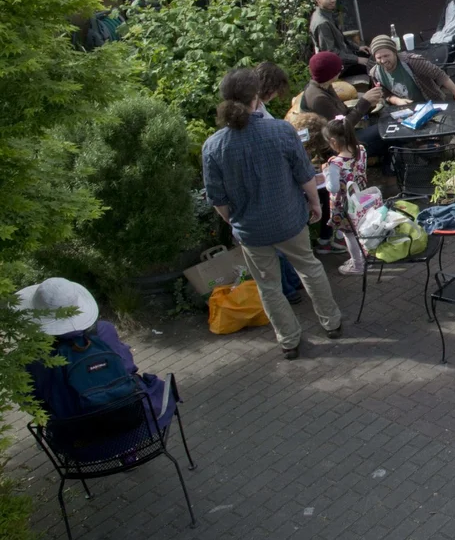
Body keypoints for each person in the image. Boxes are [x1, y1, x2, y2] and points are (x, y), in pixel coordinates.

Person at [200, 67, 343, 360]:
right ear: (256, 98)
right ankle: (332, 323)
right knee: (310, 268)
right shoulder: (280, 130)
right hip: (290, 220)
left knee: (268, 286)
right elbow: (304, 173)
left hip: (251, 230)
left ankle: (289, 341)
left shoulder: (213, 146)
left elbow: (217, 198)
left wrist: (235, 222)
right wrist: (315, 204)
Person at [20, 277, 178, 457]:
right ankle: (128, 453)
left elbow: (33, 404)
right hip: (138, 426)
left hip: (80, 446)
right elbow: (129, 368)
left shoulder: (34, 357)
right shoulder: (104, 330)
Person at [256, 62, 317, 290]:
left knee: (276, 251)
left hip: (263, 198)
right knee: (290, 251)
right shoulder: (260, 114)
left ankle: (292, 285)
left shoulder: (255, 108)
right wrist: (313, 201)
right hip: (276, 192)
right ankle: (293, 286)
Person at [302, 50, 387, 168]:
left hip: (344, 134)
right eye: (339, 68)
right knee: (385, 131)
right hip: (337, 145)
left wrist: (370, 103)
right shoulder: (318, 98)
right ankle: (388, 170)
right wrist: (364, 102)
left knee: (384, 120)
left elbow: (344, 112)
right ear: (330, 73)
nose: (341, 70)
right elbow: (341, 127)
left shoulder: (324, 86)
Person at [321, 117, 370, 277]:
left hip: (345, 205)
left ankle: (357, 264)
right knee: (359, 229)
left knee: (349, 234)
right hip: (360, 197)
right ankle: (363, 255)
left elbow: (333, 187)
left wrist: (326, 173)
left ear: (334, 141)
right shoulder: (361, 150)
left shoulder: (335, 163)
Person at [367, 35, 455, 105]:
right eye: (379, 58)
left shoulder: (412, 61)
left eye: (386, 55)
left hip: (430, 103)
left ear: (394, 52)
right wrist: (396, 100)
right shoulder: (375, 73)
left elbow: (440, 75)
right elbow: (385, 94)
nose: (383, 60)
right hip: (406, 110)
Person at [309, 0, 370, 75]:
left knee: (375, 54)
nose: (333, 0)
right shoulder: (322, 23)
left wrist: (358, 48)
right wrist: (357, 59)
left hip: (345, 56)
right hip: (339, 67)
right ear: (318, 0)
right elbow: (331, 54)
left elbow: (341, 38)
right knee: (374, 68)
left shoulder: (327, 13)